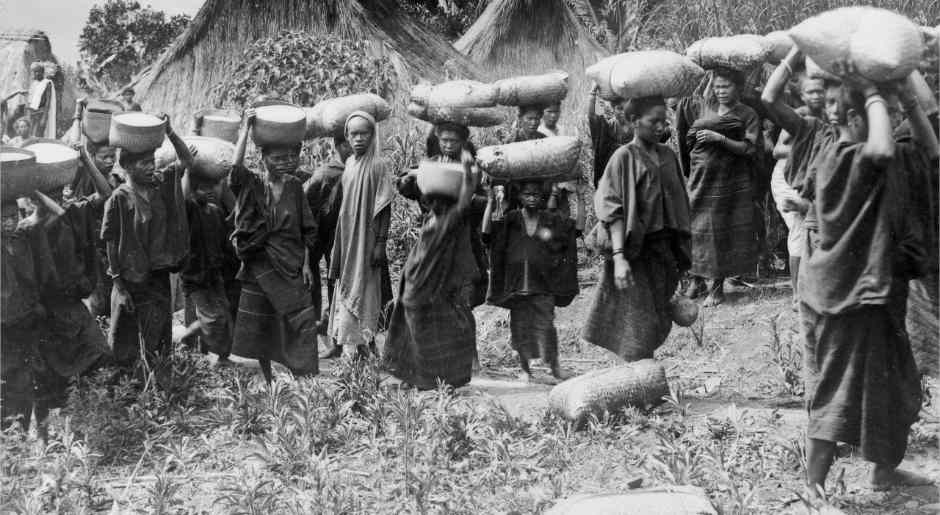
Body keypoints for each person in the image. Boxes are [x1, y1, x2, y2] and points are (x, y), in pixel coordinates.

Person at [763, 49, 938, 494]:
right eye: (881, 112)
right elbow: (879, 144)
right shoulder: (841, 156)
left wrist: (905, 93)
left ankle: (884, 469)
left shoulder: (885, 156)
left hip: (878, 288)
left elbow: (931, 147)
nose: (891, 118)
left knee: (896, 386)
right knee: (836, 391)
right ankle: (813, 488)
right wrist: (877, 91)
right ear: (859, 116)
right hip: (845, 294)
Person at [582, 96, 692, 361]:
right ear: (633, 121)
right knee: (637, 319)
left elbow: (679, 203)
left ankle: (640, 375)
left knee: (656, 316)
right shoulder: (623, 158)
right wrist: (619, 258)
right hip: (634, 252)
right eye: (653, 121)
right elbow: (612, 210)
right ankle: (638, 379)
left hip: (663, 250)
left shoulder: (667, 155)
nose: (659, 127)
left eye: (663, 121)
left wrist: (682, 253)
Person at [229, 108, 319, 382]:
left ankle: (303, 372)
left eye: (291, 157)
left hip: (290, 263)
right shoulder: (252, 185)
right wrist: (245, 129)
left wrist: (306, 265)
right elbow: (234, 170)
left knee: (302, 318)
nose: (286, 162)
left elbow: (307, 230)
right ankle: (268, 373)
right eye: (278, 158)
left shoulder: (294, 187)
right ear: (264, 159)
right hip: (260, 264)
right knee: (264, 321)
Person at [385, 151, 481, 389]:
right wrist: (467, 173)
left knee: (422, 335)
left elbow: (465, 199)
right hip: (418, 289)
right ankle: (426, 379)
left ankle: (427, 378)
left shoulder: (439, 222)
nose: (430, 204)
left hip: (418, 289)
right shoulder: (438, 221)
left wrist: (468, 173)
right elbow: (463, 198)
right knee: (425, 335)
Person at [100, 115, 191, 368]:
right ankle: (126, 392)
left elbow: (186, 161)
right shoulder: (119, 199)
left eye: (152, 161)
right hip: (131, 279)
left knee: (159, 332)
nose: (151, 167)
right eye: (144, 163)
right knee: (127, 337)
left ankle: (157, 385)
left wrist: (171, 132)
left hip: (158, 273)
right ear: (127, 167)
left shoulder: (160, 184)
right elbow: (110, 242)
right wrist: (118, 284)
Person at [484, 179, 584, 381]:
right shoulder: (511, 219)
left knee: (547, 326)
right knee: (520, 329)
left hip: (543, 285)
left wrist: (581, 198)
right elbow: (487, 232)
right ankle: (525, 370)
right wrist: (489, 200)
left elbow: (576, 229)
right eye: (527, 194)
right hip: (517, 285)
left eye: (536, 195)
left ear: (542, 198)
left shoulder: (550, 219)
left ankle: (555, 368)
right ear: (519, 197)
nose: (532, 199)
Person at [677, 67, 760, 306]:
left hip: (730, 181)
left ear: (738, 88)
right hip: (702, 178)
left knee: (722, 229)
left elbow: (749, 148)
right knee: (696, 227)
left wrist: (720, 139)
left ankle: (717, 287)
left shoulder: (747, 114)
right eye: (717, 87)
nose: (721, 91)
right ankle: (696, 280)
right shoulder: (703, 108)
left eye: (726, 86)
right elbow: (689, 138)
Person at [327, 111, 394, 361]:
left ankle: (361, 344)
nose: (358, 139)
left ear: (372, 135)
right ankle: (353, 347)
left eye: (363, 133)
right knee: (346, 284)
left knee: (365, 287)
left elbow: (384, 206)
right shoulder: (350, 165)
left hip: (367, 239)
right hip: (348, 238)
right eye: (353, 134)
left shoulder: (378, 165)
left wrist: (380, 243)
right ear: (346, 136)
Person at [770, 76, 825, 309]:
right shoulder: (799, 115)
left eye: (819, 91)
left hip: (813, 178)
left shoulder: (831, 115)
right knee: (799, 231)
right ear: (802, 95)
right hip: (788, 178)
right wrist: (806, 144)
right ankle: (797, 293)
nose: (816, 96)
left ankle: (812, 286)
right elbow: (777, 150)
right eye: (810, 92)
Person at [173, 169, 236, 363]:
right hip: (194, 275)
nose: (207, 191)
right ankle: (187, 335)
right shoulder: (190, 209)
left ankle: (222, 355)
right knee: (213, 318)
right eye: (201, 188)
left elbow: (225, 244)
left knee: (224, 314)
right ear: (192, 189)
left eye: (213, 186)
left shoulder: (216, 212)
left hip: (214, 274)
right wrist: (185, 171)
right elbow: (181, 200)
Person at [306, 136, 350, 358]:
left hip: (339, 236)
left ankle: (334, 337)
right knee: (316, 283)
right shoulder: (325, 173)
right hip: (320, 234)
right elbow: (307, 202)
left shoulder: (356, 169)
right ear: (340, 146)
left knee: (336, 286)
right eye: (349, 143)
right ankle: (317, 332)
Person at [588, 85, 633, 187]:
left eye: (626, 109)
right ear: (613, 109)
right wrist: (593, 95)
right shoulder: (609, 127)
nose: (623, 113)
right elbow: (595, 118)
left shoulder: (637, 127)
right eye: (619, 109)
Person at [26, 62, 55, 138]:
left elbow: (48, 101)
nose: (36, 74)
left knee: (38, 134)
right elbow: (31, 98)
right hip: (32, 112)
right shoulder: (34, 83)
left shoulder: (47, 83)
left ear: (42, 72)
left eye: (37, 71)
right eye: (34, 72)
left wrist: (44, 117)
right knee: (30, 133)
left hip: (41, 112)